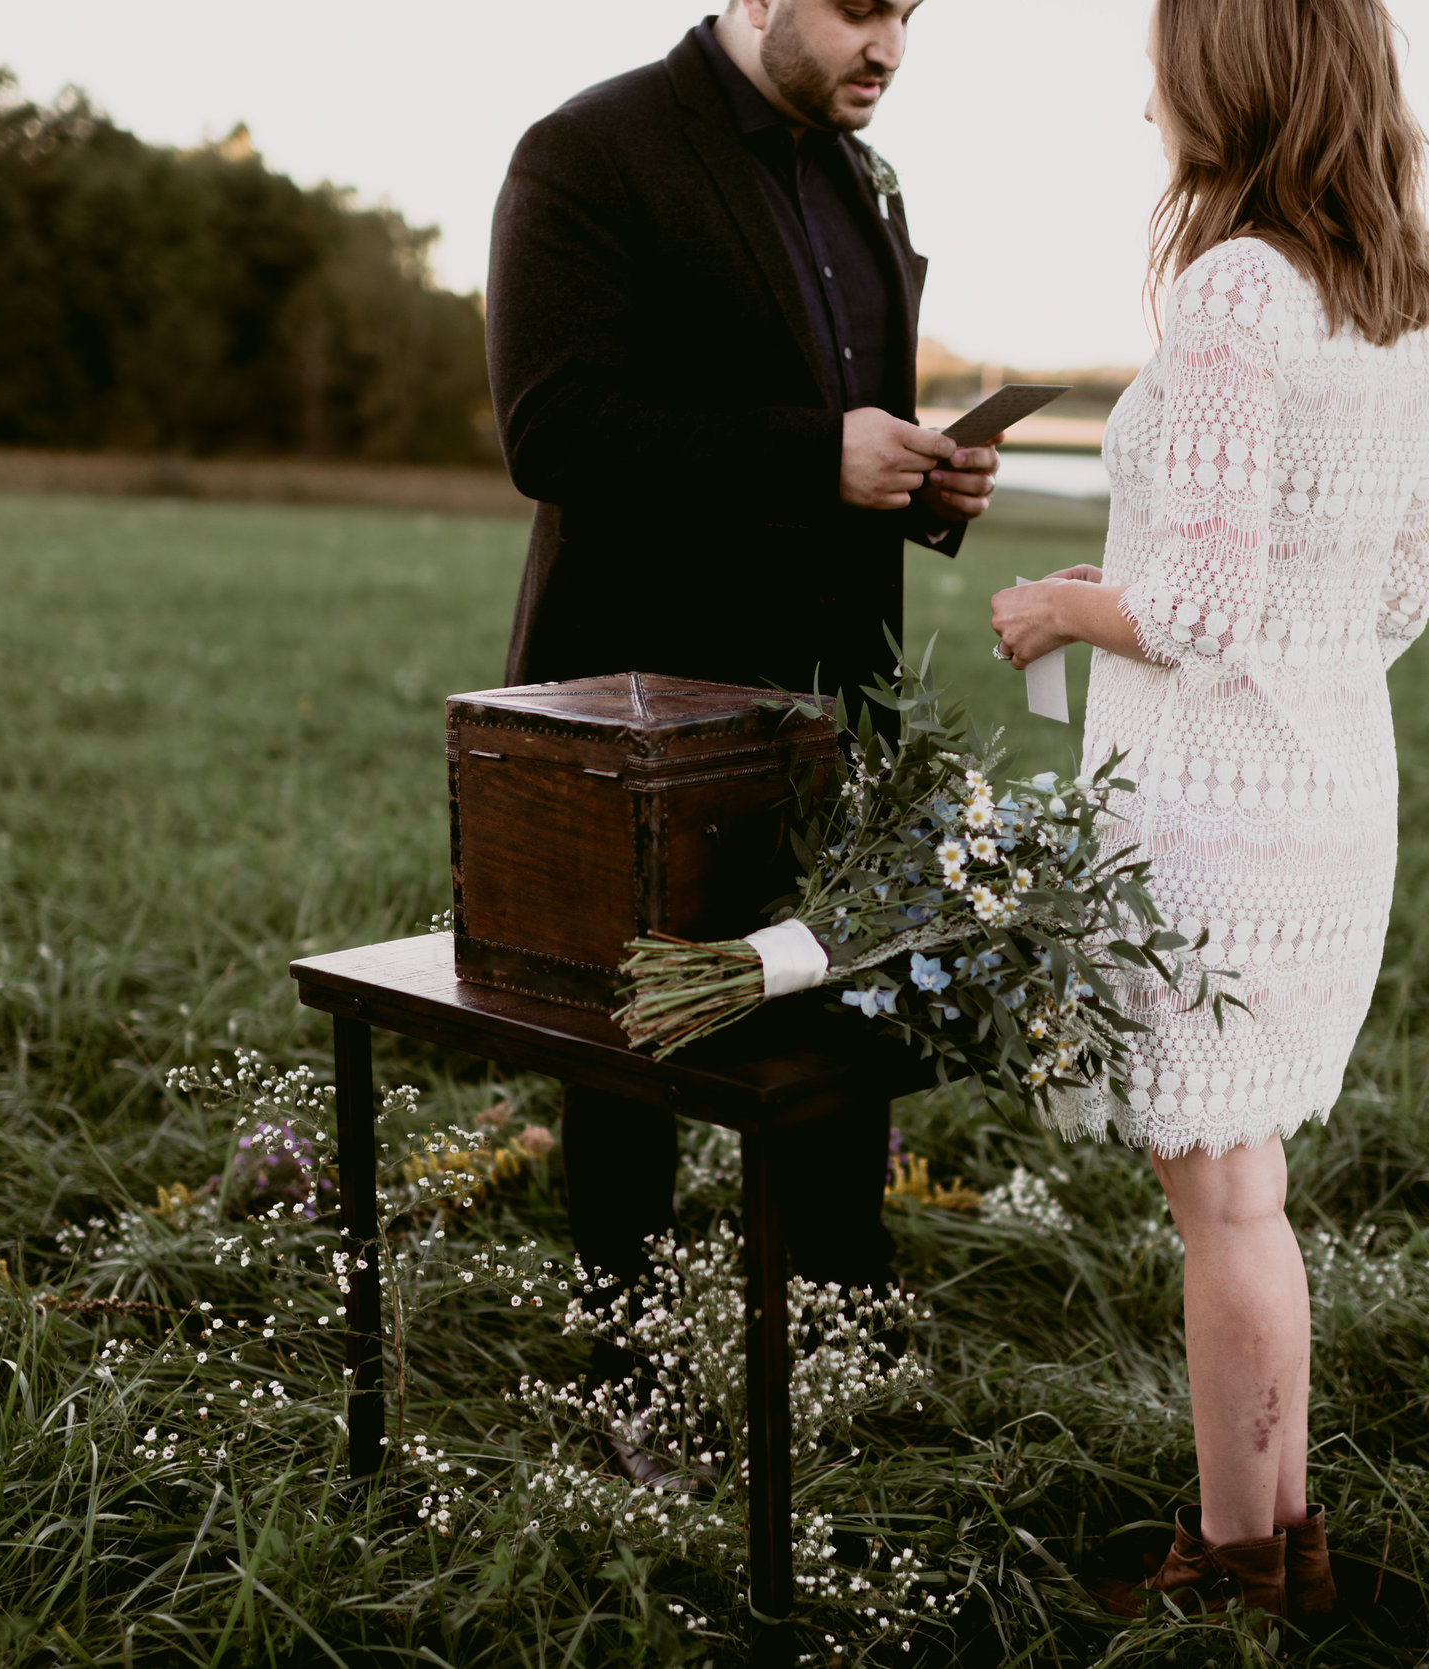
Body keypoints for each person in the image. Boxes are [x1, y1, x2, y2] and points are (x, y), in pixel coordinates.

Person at [485, 1, 1000, 1479]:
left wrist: (921, 487)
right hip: (632, 706)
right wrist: (810, 451)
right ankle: (627, 1361)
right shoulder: (586, 152)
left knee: (845, 1012)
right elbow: (555, 428)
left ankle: (841, 1320)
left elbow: (847, 445)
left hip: (835, 703)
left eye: (910, 14)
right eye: (859, 8)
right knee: (630, 1047)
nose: (888, 45)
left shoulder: (858, 178)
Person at [987, 0, 1429, 1627]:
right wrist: (1299, 668)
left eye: (1168, 63)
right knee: (1247, 1190)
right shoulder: (1401, 304)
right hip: (1333, 797)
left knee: (1227, 1203)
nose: (1153, 96)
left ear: (1227, 75)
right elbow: (1404, 585)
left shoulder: (1240, 288)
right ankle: (1282, 1537)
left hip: (1215, 819)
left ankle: (1234, 1567)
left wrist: (1057, 604)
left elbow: (1185, 597)